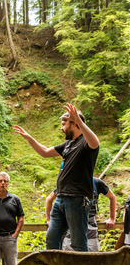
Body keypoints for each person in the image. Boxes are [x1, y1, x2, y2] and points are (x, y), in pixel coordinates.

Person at [14, 103, 99, 252]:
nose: (61, 128)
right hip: (60, 198)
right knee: (51, 239)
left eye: (64, 124)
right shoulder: (67, 144)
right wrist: (29, 138)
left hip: (77, 199)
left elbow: (95, 143)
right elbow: (45, 152)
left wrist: (78, 119)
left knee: (78, 243)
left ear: (74, 123)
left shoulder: (86, 143)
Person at [45, 177, 116, 252]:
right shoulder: (70, 182)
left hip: (90, 224)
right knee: (69, 255)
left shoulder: (97, 183)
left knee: (92, 255)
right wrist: (49, 219)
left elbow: (112, 197)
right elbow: (49, 198)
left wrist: (112, 218)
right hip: (72, 223)